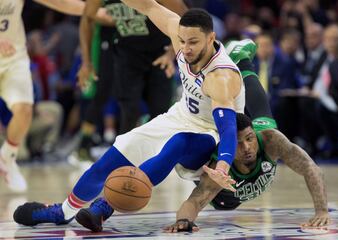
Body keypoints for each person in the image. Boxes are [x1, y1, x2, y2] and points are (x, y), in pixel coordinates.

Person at [14, 6, 245, 226]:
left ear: (211, 37)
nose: (185, 49)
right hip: (180, 116)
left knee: (179, 142)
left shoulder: (220, 77)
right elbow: (148, 6)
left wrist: (223, 167)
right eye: (182, 41)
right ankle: (64, 211)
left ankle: (105, 205)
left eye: (193, 42)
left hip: (212, 135)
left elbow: (228, 129)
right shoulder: (181, 38)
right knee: (118, 151)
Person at [0, 0, 109, 192]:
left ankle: (8, 157)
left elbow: (59, 2)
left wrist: (92, 11)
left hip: (13, 59)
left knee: (24, 110)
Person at [163, 113, 330, 232]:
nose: (247, 148)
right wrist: (183, 221)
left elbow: (310, 167)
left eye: (250, 138)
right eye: (238, 143)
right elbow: (194, 202)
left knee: (252, 88)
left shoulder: (271, 141)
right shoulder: (218, 172)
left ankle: (242, 65)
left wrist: (322, 210)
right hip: (224, 202)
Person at [74, 0, 187, 162]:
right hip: (127, 53)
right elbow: (87, 18)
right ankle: (120, 159)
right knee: (129, 109)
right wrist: (86, 62)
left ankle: (155, 157)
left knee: (160, 110)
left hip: (159, 54)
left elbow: (185, 16)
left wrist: (171, 52)